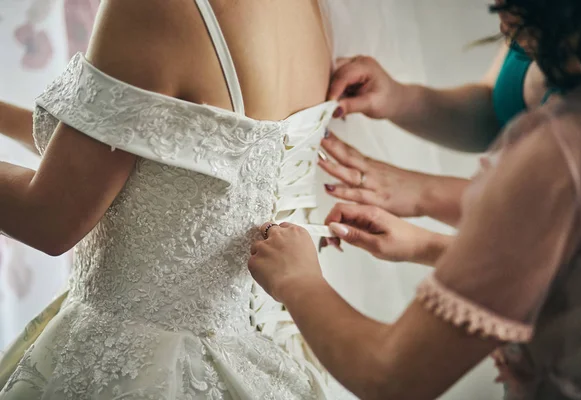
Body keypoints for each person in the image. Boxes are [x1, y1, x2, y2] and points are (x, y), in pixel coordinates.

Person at [0, 0, 352, 398]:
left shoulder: (156, 7)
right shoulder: (308, 12)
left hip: (135, 366)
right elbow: (167, 169)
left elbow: (49, 217)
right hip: (266, 367)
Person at [249, 0, 581, 398]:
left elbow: (392, 376)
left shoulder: (563, 154)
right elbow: (570, 260)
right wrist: (428, 244)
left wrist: (297, 281)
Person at [318, 17, 550, 257]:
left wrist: (425, 194)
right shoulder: (525, 15)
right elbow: (499, 109)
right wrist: (398, 99)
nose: (502, 25)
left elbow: (553, 233)